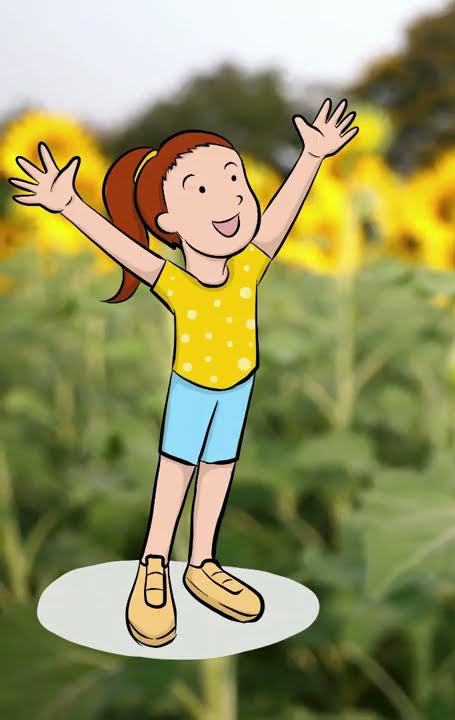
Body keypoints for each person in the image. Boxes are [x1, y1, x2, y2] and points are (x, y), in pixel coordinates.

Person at [8, 99, 359, 648]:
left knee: (217, 473)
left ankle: (202, 564)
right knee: (175, 475)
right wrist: (69, 206)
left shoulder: (249, 265)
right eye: (202, 190)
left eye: (235, 181)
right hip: (194, 389)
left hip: (237, 387)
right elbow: (124, 248)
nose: (230, 200)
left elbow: (284, 212)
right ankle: (154, 567)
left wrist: (312, 157)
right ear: (167, 222)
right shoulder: (178, 283)